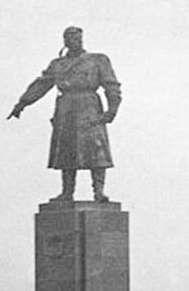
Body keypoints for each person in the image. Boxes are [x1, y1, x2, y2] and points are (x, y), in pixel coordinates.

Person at [7, 26, 122, 203]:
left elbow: (111, 85)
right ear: (65, 42)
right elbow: (42, 84)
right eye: (72, 38)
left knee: (96, 150)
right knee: (67, 151)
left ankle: (98, 191)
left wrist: (112, 109)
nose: (77, 41)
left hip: (89, 106)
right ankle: (67, 192)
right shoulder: (58, 64)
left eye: (79, 38)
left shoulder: (98, 60)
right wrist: (22, 103)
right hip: (66, 108)